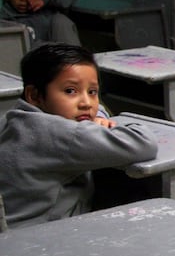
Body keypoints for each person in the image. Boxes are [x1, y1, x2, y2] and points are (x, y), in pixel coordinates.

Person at [0, 43, 158, 228]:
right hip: (40, 240)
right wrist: (100, 119)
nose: (86, 103)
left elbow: (94, 110)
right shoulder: (61, 133)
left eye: (92, 92)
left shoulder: (13, 119)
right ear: (34, 96)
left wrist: (97, 116)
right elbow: (144, 143)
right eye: (70, 91)